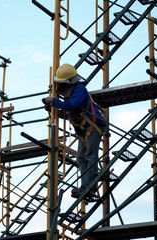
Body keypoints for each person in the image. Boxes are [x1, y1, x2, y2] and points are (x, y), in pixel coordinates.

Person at [43, 63, 106, 198]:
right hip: (83, 128)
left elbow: (71, 106)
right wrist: (53, 109)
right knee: (80, 158)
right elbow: (68, 114)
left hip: (93, 125)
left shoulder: (80, 89)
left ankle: (91, 186)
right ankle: (85, 185)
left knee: (90, 155)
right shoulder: (70, 95)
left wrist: (53, 101)